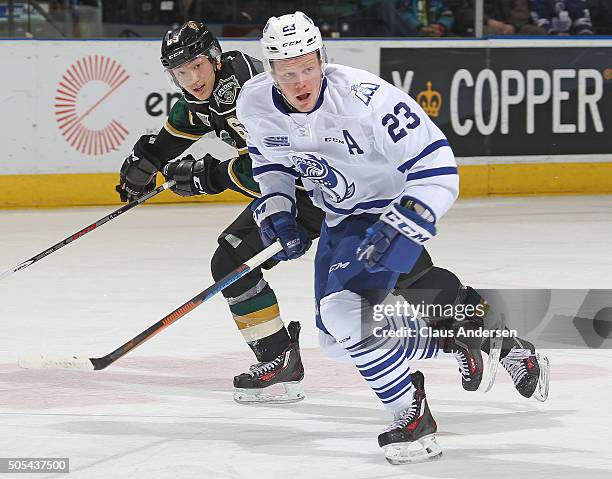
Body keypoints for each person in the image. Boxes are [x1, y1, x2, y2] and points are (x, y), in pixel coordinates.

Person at [237, 11, 550, 463]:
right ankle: (470, 338)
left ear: (323, 58)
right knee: (337, 341)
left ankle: (412, 415)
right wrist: (279, 210)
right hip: (339, 219)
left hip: (386, 210)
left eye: (309, 66)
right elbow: (270, 163)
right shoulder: (256, 103)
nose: (301, 80)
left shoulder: (367, 99)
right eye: (289, 72)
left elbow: (439, 170)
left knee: (343, 313)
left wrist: (403, 225)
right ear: (271, 71)